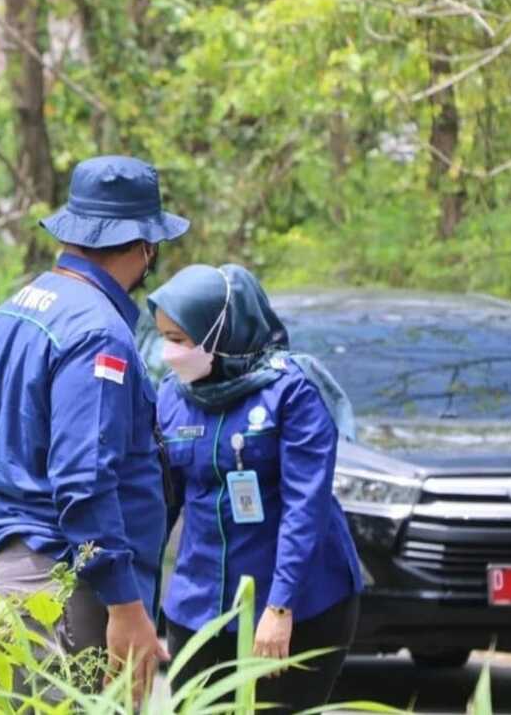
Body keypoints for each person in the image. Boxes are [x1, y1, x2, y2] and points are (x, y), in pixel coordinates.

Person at [0, 155, 189, 700]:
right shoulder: (99, 333)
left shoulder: (11, 311)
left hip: (4, 569)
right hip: (68, 587)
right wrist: (126, 607)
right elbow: (83, 481)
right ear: (144, 246)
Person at [148, 263, 362, 713]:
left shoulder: (292, 390)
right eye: (163, 337)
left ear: (220, 334)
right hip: (200, 600)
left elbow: (307, 506)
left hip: (298, 601)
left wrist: (281, 606)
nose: (169, 352)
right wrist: (141, 603)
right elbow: (160, 504)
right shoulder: (172, 396)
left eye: (180, 339)